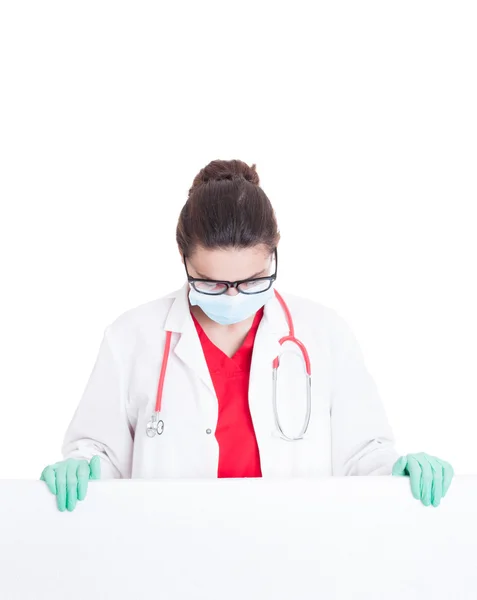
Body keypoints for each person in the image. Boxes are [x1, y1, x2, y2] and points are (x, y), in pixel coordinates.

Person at [40, 159, 454, 512]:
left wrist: (397, 471)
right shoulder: (132, 337)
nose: (234, 297)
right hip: (170, 559)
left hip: (294, 557)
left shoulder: (324, 334)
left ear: (273, 253)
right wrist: (83, 463)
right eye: (213, 283)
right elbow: (101, 457)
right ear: (184, 260)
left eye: (253, 280)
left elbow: (363, 457)